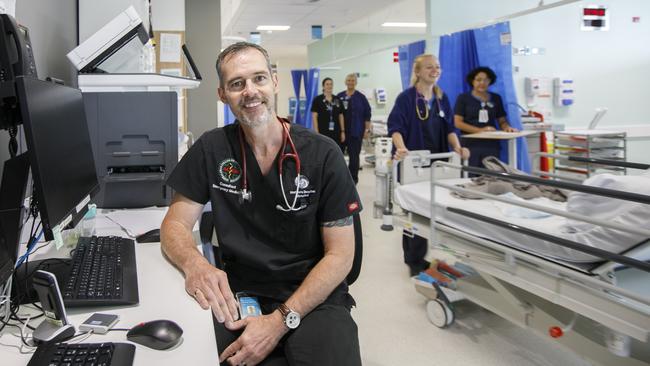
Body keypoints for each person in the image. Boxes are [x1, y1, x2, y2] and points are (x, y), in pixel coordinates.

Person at [160, 42, 362, 366]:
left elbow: (341, 255)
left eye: (259, 79)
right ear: (222, 95)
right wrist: (195, 264)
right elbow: (175, 223)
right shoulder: (212, 149)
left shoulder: (323, 155)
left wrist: (279, 321)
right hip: (241, 294)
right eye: (237, 84)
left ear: (275, 82)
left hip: (314, 296)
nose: (251, 91)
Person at [387, 54, 469, 276]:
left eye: (438, 67)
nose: (435, 70)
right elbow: (395, 127)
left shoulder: (442, 98)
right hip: (414, 162)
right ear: (418, 72)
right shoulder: (406, 98)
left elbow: (451, 128)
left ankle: (421, 255)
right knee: (415, 212)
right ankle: (414, 261)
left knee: (431, 209)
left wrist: (458, 148)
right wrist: (401, 148)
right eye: (430, 67)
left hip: (438, 162)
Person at [454, 66, 518, 169]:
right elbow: (458, 123)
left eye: (486, 80)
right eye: (478, 80)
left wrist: (507, 127)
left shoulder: (496, 98)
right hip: (471, 144)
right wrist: (479, 130)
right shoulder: (463, 98)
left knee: (492, 175)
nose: (482, 83)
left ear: (490, 81)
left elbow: (502, 120)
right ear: (472, 81)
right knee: (470, 175)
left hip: (491, 144)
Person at [337, 73, 371, 184]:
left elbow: (367, 114)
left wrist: (367, 130)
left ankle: (353, 179)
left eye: (353, 80)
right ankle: (340, 178)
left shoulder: (361, 98)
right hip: (341, 132)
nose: (351, 82)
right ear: (345, 82)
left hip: (356, 131)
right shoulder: (339, 96)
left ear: (355, 82)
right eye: (349, 80)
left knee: (354, 156)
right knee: (339, 155)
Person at [311, 77, 345, 149]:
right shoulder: (318, 99)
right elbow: (314, 116)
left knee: (336, 150)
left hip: (336, 131)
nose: (329, 86)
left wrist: (342, 131)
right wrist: (316, 131)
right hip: (322, 131)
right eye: (327, 84)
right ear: (323, 86)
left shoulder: (337, 99)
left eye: (331, 84)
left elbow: (341, 115)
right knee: (323, 150)